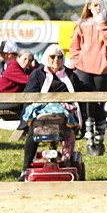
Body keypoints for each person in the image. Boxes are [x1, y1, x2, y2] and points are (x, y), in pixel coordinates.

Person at [69, 0, 107, 155]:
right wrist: (76, 61)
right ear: (89, 7)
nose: (99, 8)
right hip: (83, 68)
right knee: (87, 105)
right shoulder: (82, 24)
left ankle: (100, 140)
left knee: (99, 106)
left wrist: (102, 24)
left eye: (101, 4)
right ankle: (89, 141)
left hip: (103, 70)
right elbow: (74, 46)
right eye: (95, 5)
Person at [21, 45, 84, 174]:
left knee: (68, 128)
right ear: (46, 58)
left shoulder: (70, 75)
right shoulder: (38, 74)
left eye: (60, 57)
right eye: (53, 57)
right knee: (33, 133)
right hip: (42, 114)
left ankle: (67, 161)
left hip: (64, 116)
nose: (57, 60)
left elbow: (82, 89)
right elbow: (29, 94)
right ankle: (25, 168)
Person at [0, 50, 37, 138]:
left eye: (29, 60)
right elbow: (29, 80)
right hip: (1, 101)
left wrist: (35, 66)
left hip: (4, 99)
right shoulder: (14, 68)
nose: (27, 62)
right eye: (24, 59)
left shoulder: (23, 69)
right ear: (18, 58)